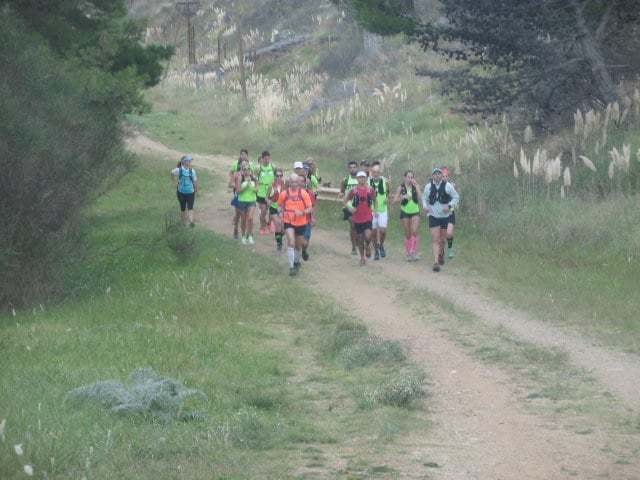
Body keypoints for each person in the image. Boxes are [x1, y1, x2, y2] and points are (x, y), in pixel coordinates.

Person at [422, 167, 460, 272]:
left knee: (442, 240)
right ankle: (435, 262)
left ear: (441, 175)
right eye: (435, 174)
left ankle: (441, 253)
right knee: (435, 239)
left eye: (439, 174)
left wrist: (449, 205)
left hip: (445, 217)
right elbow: (424, 198)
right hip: (433, 216)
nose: (437, 175)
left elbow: (456, 197)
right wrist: (425, 206)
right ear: (432, 176)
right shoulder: (428, 187)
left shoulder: (448, 186)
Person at [278, 173, 313, 276]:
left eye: (295, 182)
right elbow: (279, 206)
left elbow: (310, 208)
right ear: (289, 182)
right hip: (288, 221)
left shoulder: (303, 194)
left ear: (298, 183)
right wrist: (280, 213)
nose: (293, 184)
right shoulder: (284, 194)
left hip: (301, 222)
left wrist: (302, 212)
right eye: (291, 182)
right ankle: (291, 267)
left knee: (299, 245)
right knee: (291, 242)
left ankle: (297, 262)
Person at [345, 171, 376, 266]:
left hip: (367, 217)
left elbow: (375, 200)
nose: (362, 179)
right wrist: (350, 208)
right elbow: (346, 200)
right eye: (360, 177)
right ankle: (362, 257)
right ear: (357, 179)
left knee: (368, 236)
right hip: (357, 218)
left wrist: (375, 210)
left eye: (363, 177)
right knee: (359, 238)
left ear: (366, 178)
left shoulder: (370, 190)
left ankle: (368, 246)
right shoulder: (353, 190)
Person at [393, 170, 421, 261]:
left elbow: (420, 196)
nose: (410, 179)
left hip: (415, 211)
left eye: (411, 177)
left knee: (414, 230)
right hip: (405, 211)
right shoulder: (400, 187)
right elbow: (395, 200)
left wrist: (416, 186)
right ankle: (408, 253)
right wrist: (402, 197)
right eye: (408, 177)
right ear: (404, 177)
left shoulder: (415, 186)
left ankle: (413, 251)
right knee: (408, 233)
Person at [369, 161, 390, 260]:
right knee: (373, 231)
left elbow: (388, 192)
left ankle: (381, 244)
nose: (376, 173)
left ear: (380, 172)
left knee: (383, 230)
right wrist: (373, 209)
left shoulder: (385, 181)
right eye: (374, 171)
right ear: (372, 172)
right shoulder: (368, 182)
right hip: (372, 210)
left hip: (383, 209)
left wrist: (387, 198)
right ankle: (376, 250)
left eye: (378, 171)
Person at [235, 160, 258, 245]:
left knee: (250, 218)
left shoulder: (254, 178)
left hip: (252, 201)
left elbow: (257, 189)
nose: (246, 171)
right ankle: (244, 236)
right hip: (242, 201)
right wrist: (246, 185)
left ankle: (250, 236)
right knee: (243, 220)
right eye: (244, 169)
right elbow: (237, 191)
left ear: (250, 170)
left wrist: (252, 187)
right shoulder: (240, 178)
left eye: (248, 169)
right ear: (242, 170)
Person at [171, 155, 198, 227]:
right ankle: (187, 223)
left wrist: (174, 182)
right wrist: (196, 190)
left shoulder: (180, 170)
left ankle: (188, 223)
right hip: (188, 192)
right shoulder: (188, 170)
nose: (190, 162)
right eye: (189, 161)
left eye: (190, 161)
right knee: (185, 208)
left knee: (187, 208)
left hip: (182, 192)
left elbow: (172, 173)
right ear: (184, 162)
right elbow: (195, 182)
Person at [339, 161, 359, 255]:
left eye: (354, 167)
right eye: (351, 167)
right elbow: (342, 191)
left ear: (357, 168)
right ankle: (354, 247)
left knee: (358, 226)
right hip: (348, 206)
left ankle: (358, 241)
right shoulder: (345, 180)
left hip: (359, 207)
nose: (352, 169)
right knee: (353, 224)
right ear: (348, 169)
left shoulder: (361, 179)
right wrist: (341, 194)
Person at [229, 149, 249, 239]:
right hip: (239, 197)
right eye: (243, 164)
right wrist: (237, 186)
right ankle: (236, 229)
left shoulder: (249, 174)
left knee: (244, 217)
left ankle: (243, 235)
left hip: (248, 198)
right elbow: (230, 184)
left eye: (246, 164)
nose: (244, 165)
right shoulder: (237, 174)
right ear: (240, 165)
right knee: (238, 216)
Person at [256, 151, 276, 235]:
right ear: (262, 158)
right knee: (263, 211)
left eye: (268, 158)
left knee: (270, 211)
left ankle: (269, 224)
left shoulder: (273, 166)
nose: (267, 160)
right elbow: (254, 177)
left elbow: (276, 177)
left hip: (271, 191)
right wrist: (257, 182)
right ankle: (262, 226)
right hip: (261, 192)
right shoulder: (258, 168)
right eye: (265, 158)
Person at [267, 168, 286, 251]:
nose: (279, 177)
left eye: (280, 176)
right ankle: (279, 244)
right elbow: (266, 197)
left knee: (283, 229)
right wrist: (268, 201)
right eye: (277, 175)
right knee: (278, 225)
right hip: (274, 208)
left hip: (282, 209)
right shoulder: (271, 185)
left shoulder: (285, 185)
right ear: (274, 176)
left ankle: (279, 237)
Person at [441, 166, 457, 259]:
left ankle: (450, 249)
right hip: (440, 215)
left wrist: (451, 206)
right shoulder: (436, 186)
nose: (444, 178)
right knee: (441, 236)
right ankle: (441, 251)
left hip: (450, 213)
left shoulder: (452, 186)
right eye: (443, 176)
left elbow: (456, 198)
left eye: (446, 176)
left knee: (449, 233)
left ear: (448, 177)